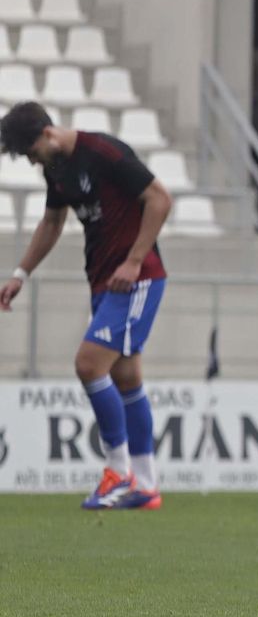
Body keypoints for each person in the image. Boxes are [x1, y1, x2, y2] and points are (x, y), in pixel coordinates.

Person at [0, 102, 173, 511]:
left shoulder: (104, 152)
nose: (31, 161)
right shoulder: (56, 170)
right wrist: (20, 275)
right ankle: (145, 486)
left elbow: (159, 199)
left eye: (30, 152)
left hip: (137, 278)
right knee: (126, 378)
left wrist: (133, 261)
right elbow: (52, 224)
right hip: (102, 281)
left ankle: (119, 472)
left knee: (88, 364)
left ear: (47, 134)